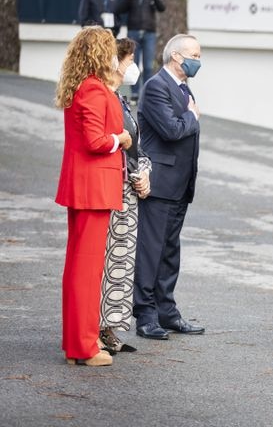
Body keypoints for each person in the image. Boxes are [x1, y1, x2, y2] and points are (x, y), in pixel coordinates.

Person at [55, 27, 132, 366]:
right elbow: (96, 142)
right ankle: (84, 347)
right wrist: (122, 139)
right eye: (111, 50)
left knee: (78, 268)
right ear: (102, 53)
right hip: (94, 188)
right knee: (85, 271)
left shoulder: (84, 87)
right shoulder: (94, 90)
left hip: (85, 187)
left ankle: (76, 344)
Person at [133, 34, 204, 340]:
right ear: (177, 57)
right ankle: (146, 315)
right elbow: (172, 129)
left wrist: (189, 116)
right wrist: (192, 116)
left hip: (179, 184)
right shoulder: (155, 87)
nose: (198, 61)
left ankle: (167, 312)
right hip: (159, 183)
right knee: (151, 251)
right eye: (195, 55)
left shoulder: (183, 87)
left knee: (170, 251)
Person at [98, 39, 152, 354]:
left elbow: (137, 147)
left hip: (130, 190)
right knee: (107, 260)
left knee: (122, 261)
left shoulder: (121, 98)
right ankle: (96, 327)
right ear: (114, 61)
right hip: (112, 189)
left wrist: (145, 173)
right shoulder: (104, 97)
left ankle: (111, 328)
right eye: (130, 58)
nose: (134, 64)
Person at [115, 0, 166, 104]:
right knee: (133, 64)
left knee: (148, 65)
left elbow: (162, 8)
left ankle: (146, 94)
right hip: (133, 32)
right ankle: (135, 94)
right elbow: (119, 10)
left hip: (149, 33)